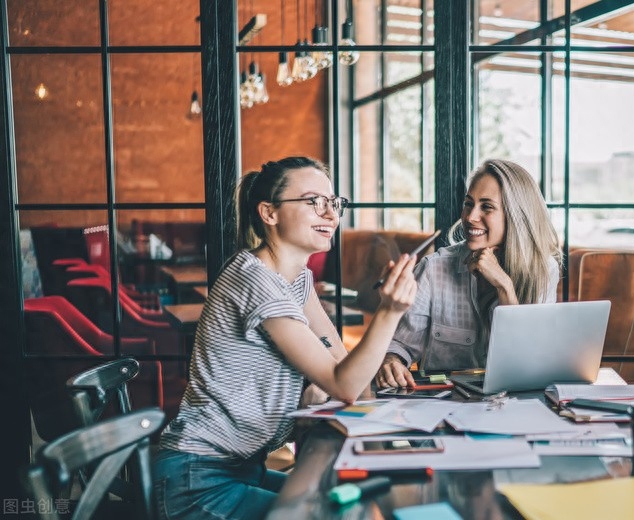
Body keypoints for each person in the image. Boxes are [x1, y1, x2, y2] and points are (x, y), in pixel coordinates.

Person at [153, 157, 417, 520]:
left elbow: (342, 365)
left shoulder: (296, 278)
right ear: (269, 213)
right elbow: (344, 384)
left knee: (347, 502)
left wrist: (390, 422)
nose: (330, 214)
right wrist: (389, 312)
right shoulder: (257, 281)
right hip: (197, 481)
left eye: (333, 202)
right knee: (336, 514)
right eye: (313, 202)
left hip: (237, 468)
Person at [376, 159, 561, 387]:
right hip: (445, 405)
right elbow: (400, 346)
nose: (470, 216)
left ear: (516, 216)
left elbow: (529, 360)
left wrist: (504, 287)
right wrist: (391, 360)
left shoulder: (544, 270)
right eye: (468, 204)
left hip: (516, 403)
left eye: (486, 206)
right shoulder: (434, 269)